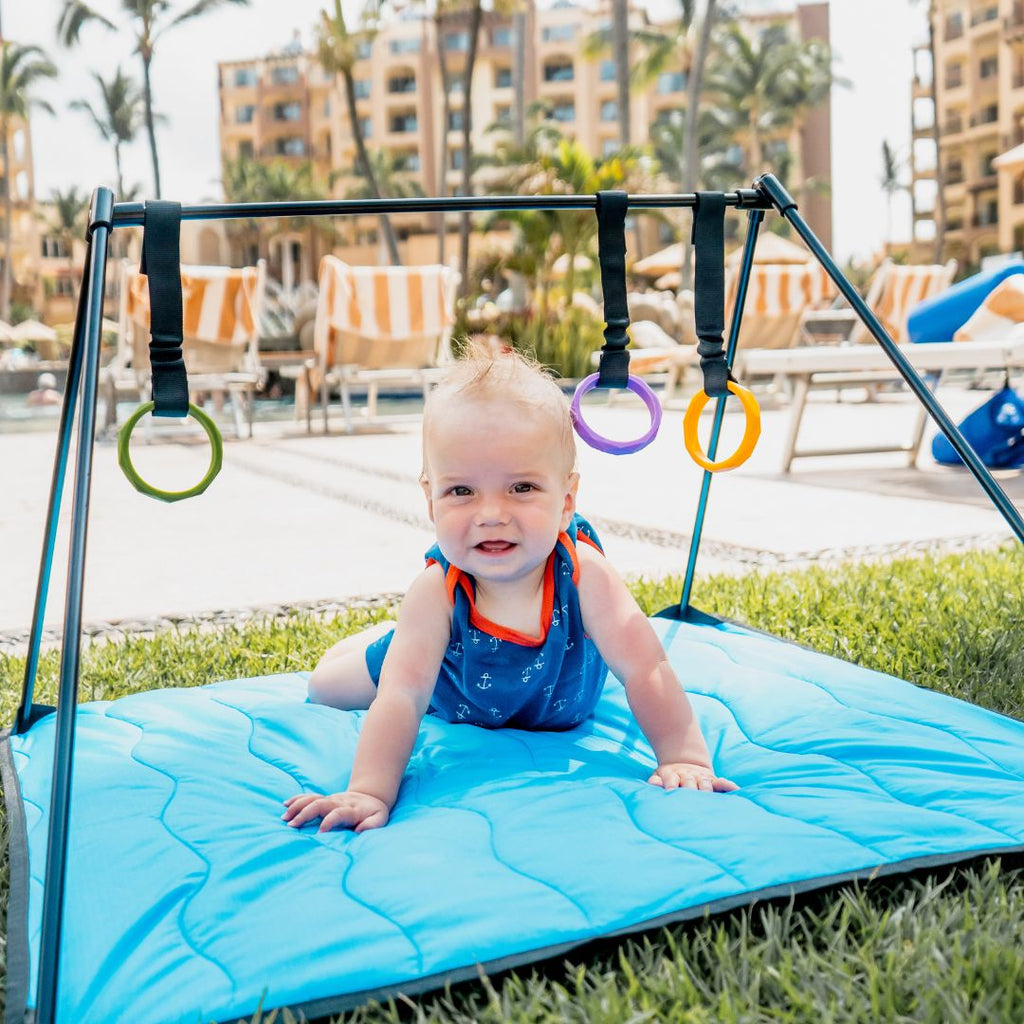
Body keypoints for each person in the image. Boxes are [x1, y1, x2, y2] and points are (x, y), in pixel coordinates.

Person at [283, 346, 737, 834]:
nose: (492, 513)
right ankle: (385, 641)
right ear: (431, 502)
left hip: (557, 703)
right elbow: (401, 697)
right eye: (462, 491)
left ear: (566, 502)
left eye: (521, 488)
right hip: (447, 684)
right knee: (324, 687)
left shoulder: (586, 575)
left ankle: (401, 642)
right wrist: (369, 790)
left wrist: (684, 757)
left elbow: (647, 666)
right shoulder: (436, 592)